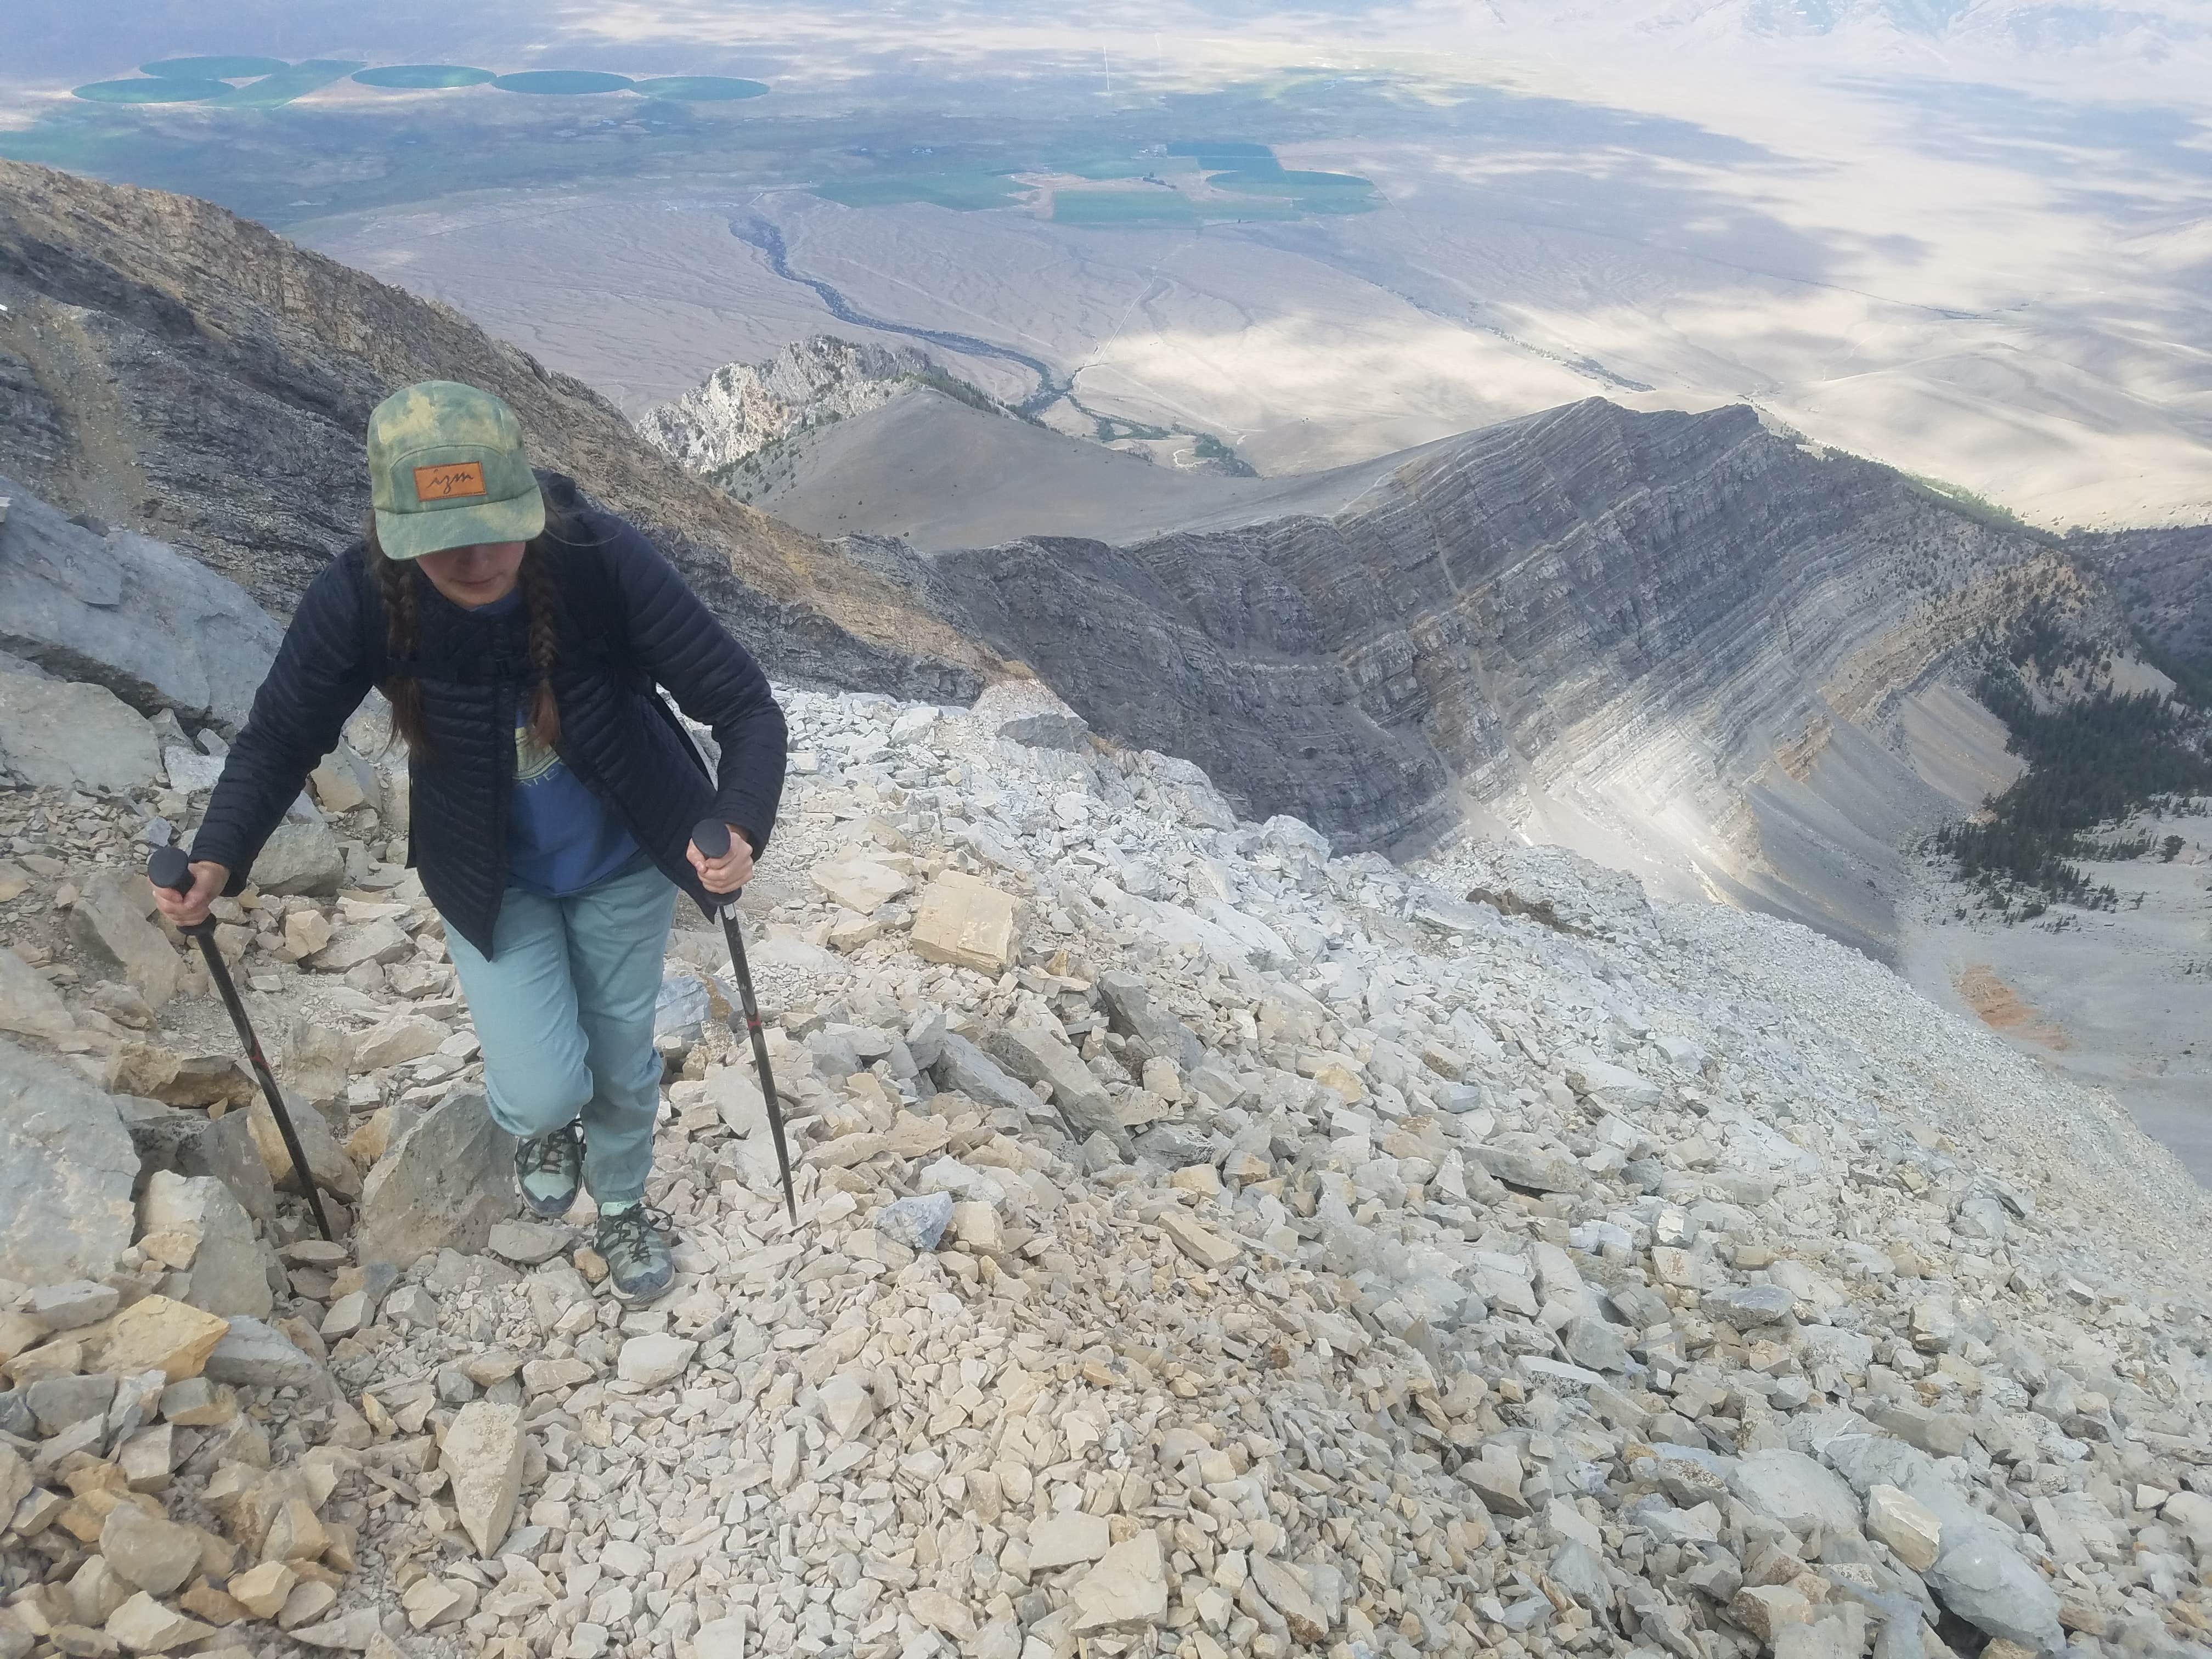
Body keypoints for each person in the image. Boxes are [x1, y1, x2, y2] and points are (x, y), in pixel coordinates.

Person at [153, 380, 787, 1304]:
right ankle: (546, 1127)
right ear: (393, 531)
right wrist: (219, 853)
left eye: (496, 524)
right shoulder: (358, 600)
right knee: (539, 1089)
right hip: (488, 878)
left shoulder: (596, 558)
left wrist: (740, 822)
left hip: (625, 863)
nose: (479, 555)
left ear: (527, 502)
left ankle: (620, 1205)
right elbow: (284, 735)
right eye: (444, 538)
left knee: (621, 1060)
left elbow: (743, 704)